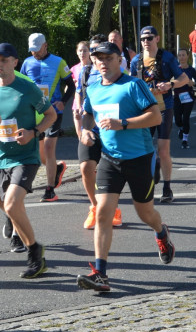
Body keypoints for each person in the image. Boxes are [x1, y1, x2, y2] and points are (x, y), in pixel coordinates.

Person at [78, 41, 173, 293]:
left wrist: (124, 123)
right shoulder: (94, 87)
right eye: (98, 59)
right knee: (102, 213)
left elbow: (156, 116)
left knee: (145, 213)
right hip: (110, 159)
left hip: (140, 157)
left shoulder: (133, 85)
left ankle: (161, 233)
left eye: (108, 58)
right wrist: (86, 130)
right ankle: (100, 273)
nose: (103, 63)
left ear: (119, 60)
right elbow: (88, 113)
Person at [0, 43, 56, 278]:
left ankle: (34, 253)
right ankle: (35, 250)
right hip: (1, 156)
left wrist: (34, 132)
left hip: (26, 156)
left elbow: (51, 114)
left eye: (4, 60)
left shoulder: (28, 88)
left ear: (15, 62)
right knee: (5, 203)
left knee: (12, 205)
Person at [130, 25, 189, 203]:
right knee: (145, 150)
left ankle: (167, 187)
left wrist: (170, 85)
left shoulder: (167, 58)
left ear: (157, 38)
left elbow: (184, 79)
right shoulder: (136, 61)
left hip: (164, 108)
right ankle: (151, 173)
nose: (146, 42)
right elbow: (131, 86)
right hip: (145, 111)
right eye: (142, 39)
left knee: (163, 150)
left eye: (149, 38)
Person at [73, 35, 124, 231]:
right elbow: (80, 93)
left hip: (113, 131)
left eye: (100, 53)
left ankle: (114, 209)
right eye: (94, 53)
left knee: (111, 173)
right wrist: (82, 121)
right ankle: (94, 207)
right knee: (86, 167)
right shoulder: (85, 72)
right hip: (92, 129)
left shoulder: (117, 73)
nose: (97, 57)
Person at [22, 33, 75, 202]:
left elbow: (71, 85)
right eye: (31, 50)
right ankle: (57, 169)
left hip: (53, 113)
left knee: (49, 147)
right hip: (33, 113)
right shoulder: (27, 62)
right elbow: (21, 83)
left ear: (45, 45)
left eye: (37, 50)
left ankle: (50, 189)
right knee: (40, 153)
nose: (34, 53)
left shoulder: (59, 62)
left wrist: (63, 102)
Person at [173, 48, 196, 149]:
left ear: (188, 56)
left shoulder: (191, 70)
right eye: (179, 55)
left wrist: (192, 83)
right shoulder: (175, 68)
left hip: (188, 97)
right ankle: (181, 128)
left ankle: (185, 140)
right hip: (177, 97)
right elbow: (169, 79)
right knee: (177, 119)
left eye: (183, 55)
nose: (181, 57)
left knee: (186, 118)